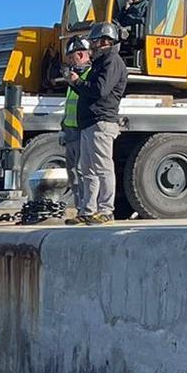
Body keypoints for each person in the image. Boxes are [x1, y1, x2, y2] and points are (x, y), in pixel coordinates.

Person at [73, 22, 128, 225]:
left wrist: (78, 82)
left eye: (95, 41)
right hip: (90, 123)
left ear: (105, 41)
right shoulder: (101, 62)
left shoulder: (112, 62)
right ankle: (88, 210)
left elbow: (100, 90)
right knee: (88, 169)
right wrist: (76, 82)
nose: (92, 46)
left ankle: (106, 210)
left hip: (101, 122)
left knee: (103, 167)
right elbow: (92, 91)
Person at [59, 34, 92, 218]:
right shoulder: (74, 77)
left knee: (82, 170)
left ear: (80, 55)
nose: (71, 61)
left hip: (81, 130)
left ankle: (85, 208)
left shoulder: (88, 76)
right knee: (72, 172)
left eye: (72, 57)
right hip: (70, 130)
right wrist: (62, 127)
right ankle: (80, 207)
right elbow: (69, 104)